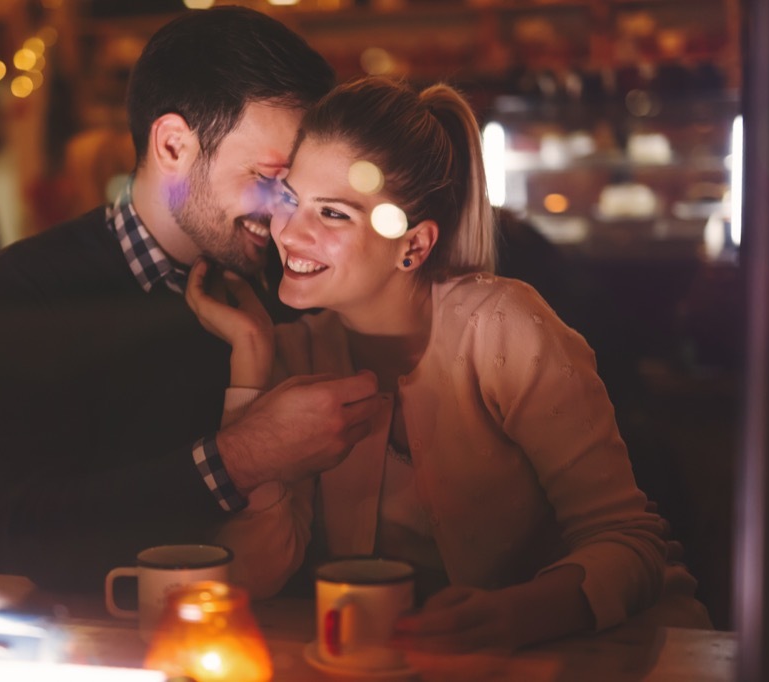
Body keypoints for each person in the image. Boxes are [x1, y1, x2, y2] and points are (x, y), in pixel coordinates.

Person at [186, 76, 711, 652]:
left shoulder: (502, 327)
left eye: (334, 214)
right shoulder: (296, 355)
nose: (290, 232)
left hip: (617, 653)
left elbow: (631, 543)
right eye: (289, 199)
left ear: (413, 246)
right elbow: (251, 576)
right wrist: (251, 366)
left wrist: (514, 615)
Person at [0, 7, 384, 592]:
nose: (288, 217)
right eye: (270, 180)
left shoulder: (295, 283)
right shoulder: (35, 287)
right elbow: (34, 528)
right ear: (173, 146)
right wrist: (245, 455)